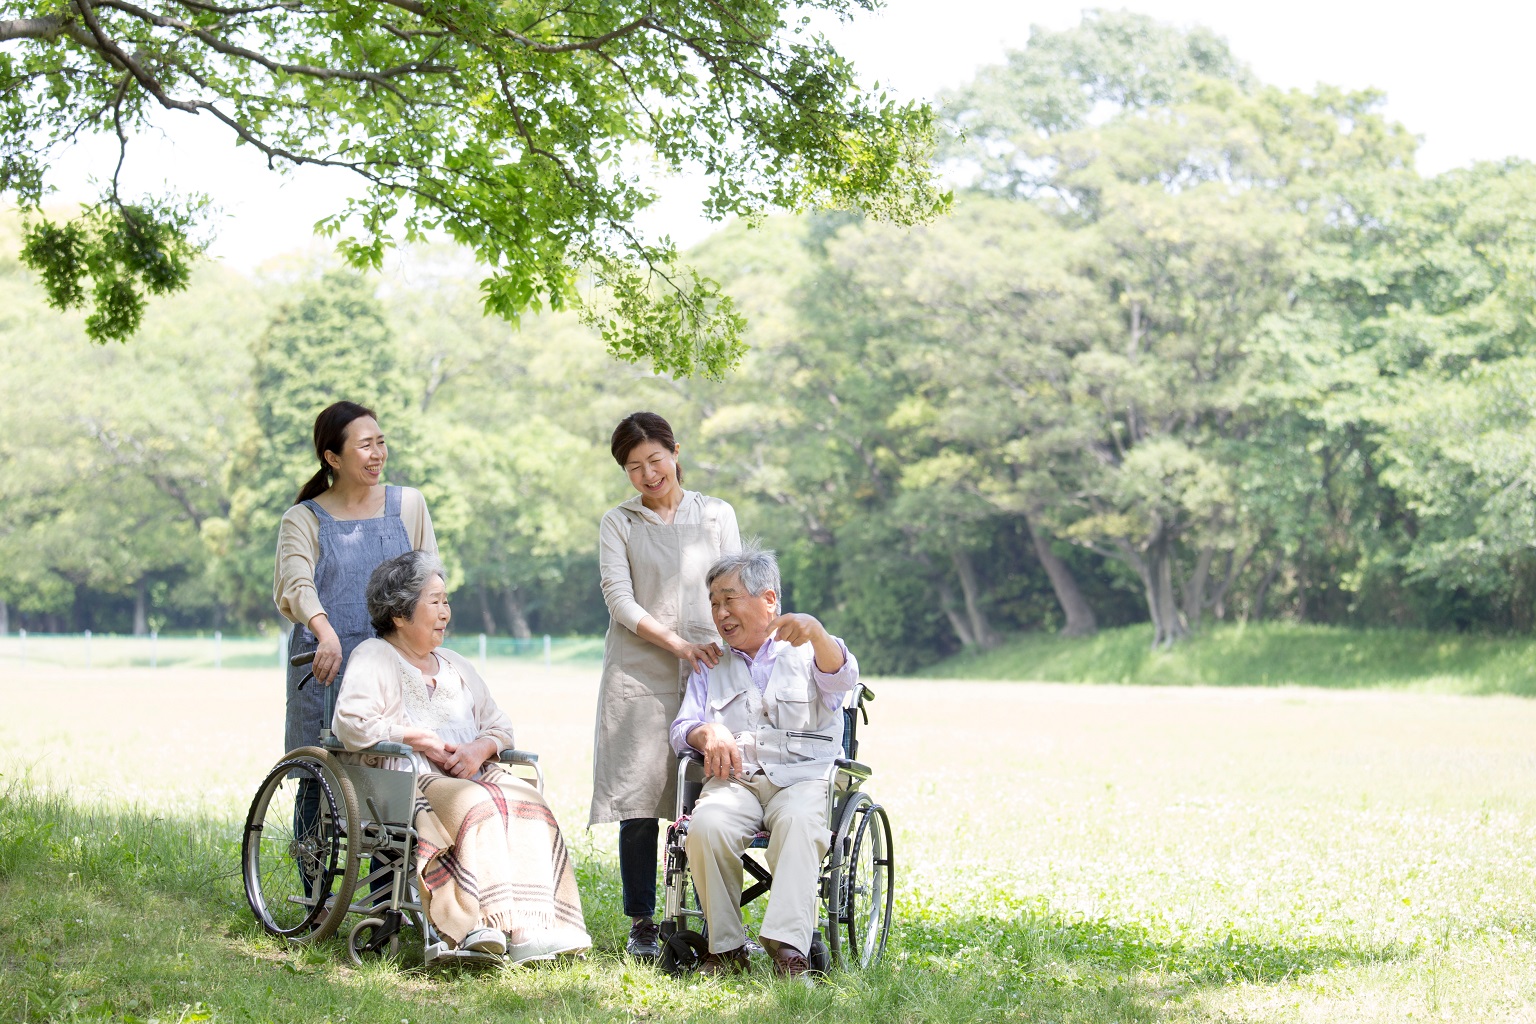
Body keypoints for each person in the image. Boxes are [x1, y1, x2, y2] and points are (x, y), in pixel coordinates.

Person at [334, 551, 592, 962]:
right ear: (400, 614)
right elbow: (350, 723)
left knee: (529, 800)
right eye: (434, 602)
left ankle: (528, 926)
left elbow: (499, 724)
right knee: (476, 805)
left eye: (446, 601)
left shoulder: (455, 664)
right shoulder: (374, 656)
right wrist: (416, 737)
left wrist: (479, 749)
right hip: (408, 781)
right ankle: (475, 922)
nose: (445, 612)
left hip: (469, 772)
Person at [669, 546, 859, 979]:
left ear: (768, 599)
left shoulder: (814, 650)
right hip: (737, 783)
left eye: (729, 599)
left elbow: (844, 679)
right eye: (714, 603)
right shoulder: (710, 662)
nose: (720, 613)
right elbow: (683, 726)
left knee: (799, 823)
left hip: (802, 780)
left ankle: (788, 946)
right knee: (707, 826)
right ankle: (727, 948)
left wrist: (816, 632)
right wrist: (705, 732)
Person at [591, 411, 741, 959]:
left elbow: (736, 585)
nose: (648, 474)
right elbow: (619, 599)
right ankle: (643, 922)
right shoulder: (619, 523)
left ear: (676, 452)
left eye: (655, 460)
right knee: (639, 798)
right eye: (634, 467)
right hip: (639, 672)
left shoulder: (715, 513)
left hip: (711, 667)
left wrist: (734, 642)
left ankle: (711, 914)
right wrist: (676, 644)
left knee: (711, 792)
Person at [274, 400, 437, 756]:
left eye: (381, 442)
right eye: (365, 446)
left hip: (395, 665)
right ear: (333, 458)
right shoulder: (302, 519)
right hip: (326, 662)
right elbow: (298, 585)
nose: (378, 453)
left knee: (397, 777)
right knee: (318, 780)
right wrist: (325, 634)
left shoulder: (409, 505)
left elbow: (429, 583)